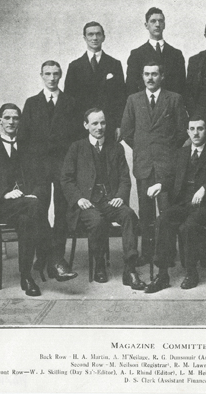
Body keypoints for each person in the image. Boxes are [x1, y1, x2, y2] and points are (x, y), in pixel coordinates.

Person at [0, 104, 77, 297]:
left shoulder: (29, 151)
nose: (11, 122)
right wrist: (4, 194)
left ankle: (26, 277)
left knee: (28, 219)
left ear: (20, 121)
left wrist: (35, 194)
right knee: (34, 207)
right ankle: (54, 261)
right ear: (0, 121)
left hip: (25, 208)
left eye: (15, 118)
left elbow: (41, 179)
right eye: (7, 118)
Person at [61, 109, 145, 289]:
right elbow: (66, 179)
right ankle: (99, 264)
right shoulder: (77, 147)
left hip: (109, 201)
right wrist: (78, 199)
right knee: (97, 221)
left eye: (103, 123)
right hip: (87, 203)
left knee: (129, 215)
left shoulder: (116, 147)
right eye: (95, 123)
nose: (100, 127)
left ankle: (129, 269)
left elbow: (124, 178)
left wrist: (120, 197)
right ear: (86, 125)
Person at [144, 117, 206, 293]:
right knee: (163, 220)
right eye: (192, 129)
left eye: (200, 129)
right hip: (184, 203)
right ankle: (162, 274)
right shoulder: (182, 153)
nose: (196, 133)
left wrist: (205, 188)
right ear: (187, 132)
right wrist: (159, 185)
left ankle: (192, 272)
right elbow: (171, 178)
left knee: (188, 227)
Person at [121, 61, 189, 265]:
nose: (150, 78)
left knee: (167, 213)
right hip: (143, 165)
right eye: (146, 74)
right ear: (142, 76)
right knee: (146, 213)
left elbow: (181, 132)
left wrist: (165, 150)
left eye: (154, 74)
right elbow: (126, 132)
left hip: (167, 165)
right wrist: (144, 149)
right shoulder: (133, 100)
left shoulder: (174, 99)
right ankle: (148, 254)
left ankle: (166, 255)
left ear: (162, 76)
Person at [18, 60, 80, 281]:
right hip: (39, 168)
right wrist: (29, 168)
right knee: (39, 211)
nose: (52, 78)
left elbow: (76, 140)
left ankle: (57, 258)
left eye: (55, 74)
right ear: (41, 75)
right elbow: (23, 139)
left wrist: (72, 167)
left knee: (62, 212)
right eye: (47, 74)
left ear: (61, 75)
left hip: (63, 166)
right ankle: (43, 254)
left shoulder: (70, 102)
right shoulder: (32, 103)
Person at [64, 21, 127, 142]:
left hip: (107, 125)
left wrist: (119, 125)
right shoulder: (75, 66)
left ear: (103, 37)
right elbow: (69, 99)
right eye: (90, 34)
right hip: (82, 127)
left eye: (98, 34)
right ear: (84, 38)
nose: (94, 38)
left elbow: (121, 97)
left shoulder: (114, 64)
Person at [126, 7, 186, 96]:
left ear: (164, 25)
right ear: (146, 25)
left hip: (170, 106)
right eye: (153, 21)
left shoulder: (176, 54)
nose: (157, 24)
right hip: (145, 106)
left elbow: (182, 87)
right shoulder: (136, 54)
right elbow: (131, 87)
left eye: (160, 21)